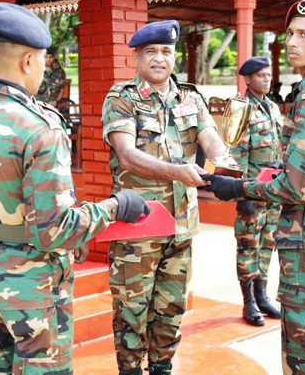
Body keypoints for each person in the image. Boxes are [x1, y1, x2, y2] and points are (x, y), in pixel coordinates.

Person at [0, 3, 147, 375]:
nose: (42, 69)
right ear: (27, 61)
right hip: (37, 288)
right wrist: (116, 206)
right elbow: (54, 230)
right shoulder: (41, 128)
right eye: (41, 61)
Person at [203, 0, 305, 374]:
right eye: (290, 33)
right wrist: (283, 168)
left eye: (304, 34)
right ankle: (252, 297)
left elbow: (296, 188)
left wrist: (239, 189)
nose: (291, 42)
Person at [102, 20, 227, 375]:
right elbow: (127, 156)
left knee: (171, 309)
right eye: (151, 52)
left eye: (166, 52)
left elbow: (210, 138)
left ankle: (162, 367)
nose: (160, 59)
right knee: (132, 311)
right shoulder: (122, 98)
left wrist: (225, 162)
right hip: (138, 226)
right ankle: (130, 370)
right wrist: (178, 172)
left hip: (182, 224)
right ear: (136, 57)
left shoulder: (191, 97)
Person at [231, 56, 284, 327]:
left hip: (273, 190)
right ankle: (249, 300)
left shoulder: (273, 107)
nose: (267, 79)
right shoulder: (241, 109)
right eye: (261, 75)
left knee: (268, 242)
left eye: (268, 75)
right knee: (248, 244)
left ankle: (262, 295)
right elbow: (236, 156)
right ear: (248, 79)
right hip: (252, 190)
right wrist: (242, 193)